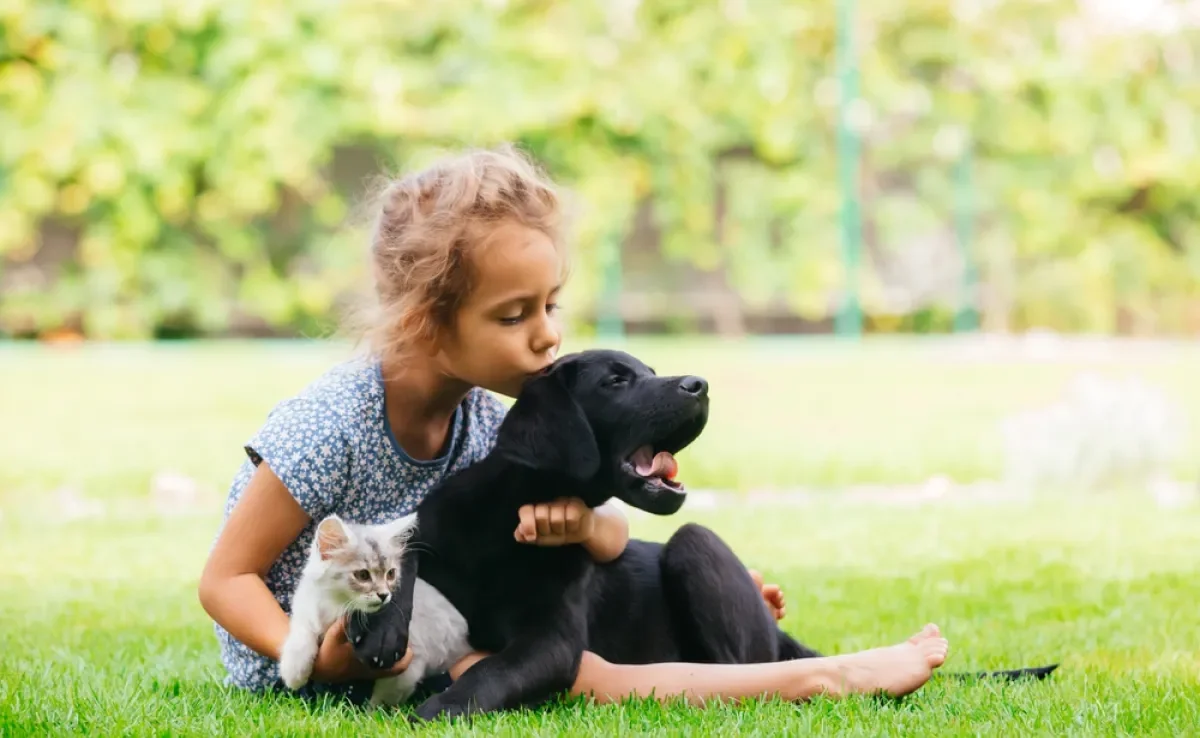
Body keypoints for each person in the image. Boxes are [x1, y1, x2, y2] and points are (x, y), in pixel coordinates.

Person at [197, 144, 949, 709]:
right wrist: (307, 657)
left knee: (561, 665)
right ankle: (823, 675)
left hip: (423, 642)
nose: (547, 336)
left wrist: (589, 533)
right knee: (571, 672)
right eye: (513, 315)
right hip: (306, 654)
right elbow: (225, 577)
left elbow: (610, 534)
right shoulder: (333, 425)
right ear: (426, 321)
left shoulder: (490, 421)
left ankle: (816, 672)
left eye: (550, 304)